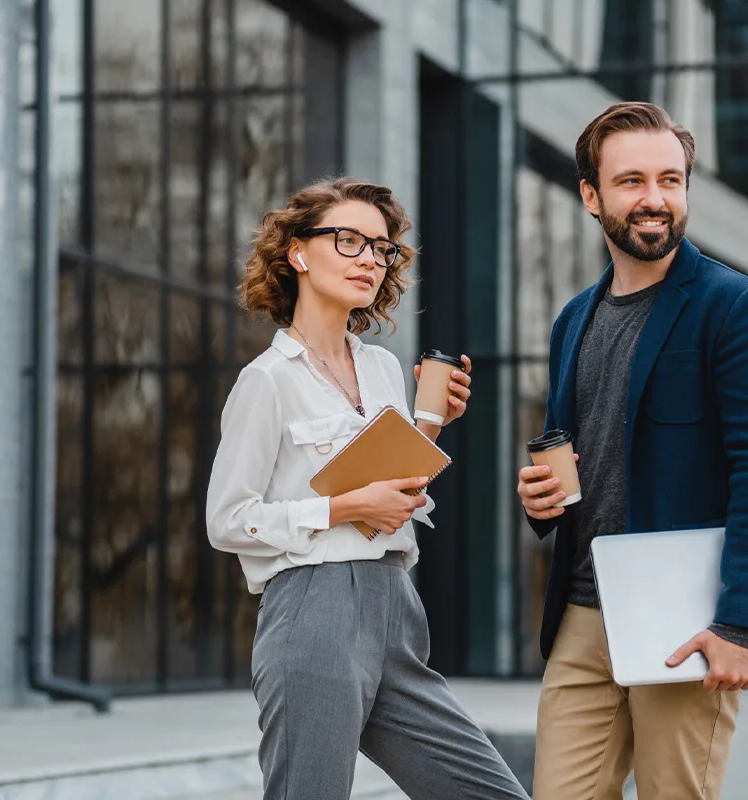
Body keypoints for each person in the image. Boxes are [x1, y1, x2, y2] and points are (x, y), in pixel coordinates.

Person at [207, 177, 527, 800]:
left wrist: (431, 423)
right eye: (349, 241)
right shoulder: (267, 380)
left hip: (396, 611)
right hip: (312, 609)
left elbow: (398, 493)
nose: (369, 261)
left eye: (381, 250)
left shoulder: (380, 367)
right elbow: (228, 519)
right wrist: (344, 507)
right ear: (298, 252)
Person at [516, 102, 748, 800]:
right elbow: (578, 454)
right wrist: (541, 500)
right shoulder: (572, 319)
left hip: (686, 615)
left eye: (671, 180)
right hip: (582, 612)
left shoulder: (735, 308)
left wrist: (741, 623)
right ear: (591, 195)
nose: (655, 199)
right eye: (633, 180)